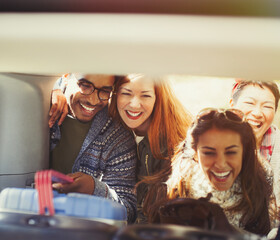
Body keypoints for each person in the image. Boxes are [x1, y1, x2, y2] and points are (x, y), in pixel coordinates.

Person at [141, 108, 278, 235]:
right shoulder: (171, 194)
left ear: (245, 152)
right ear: (195, 153)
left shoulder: (259, 187)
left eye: (231, 152)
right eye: (209, 153)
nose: (220, 164)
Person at [49, 73, 138, 223]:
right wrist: (52, 89)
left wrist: (94, 189)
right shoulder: (42, 105)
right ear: (66, 77)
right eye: (85, 86)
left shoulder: (119, 139)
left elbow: (127, 212)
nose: (93, 100)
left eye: (105, 91)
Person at [108, 74, 192, 223]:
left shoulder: (172, 146)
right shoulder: (112, 129)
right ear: (114, 94)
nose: (134, 104)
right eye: (126, 93)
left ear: (157, 98)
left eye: (145, 96)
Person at [230, 79, 280, 207]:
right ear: (232, 105)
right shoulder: (212, 141)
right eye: (249, 103)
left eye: (268, 106)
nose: (257, 113)